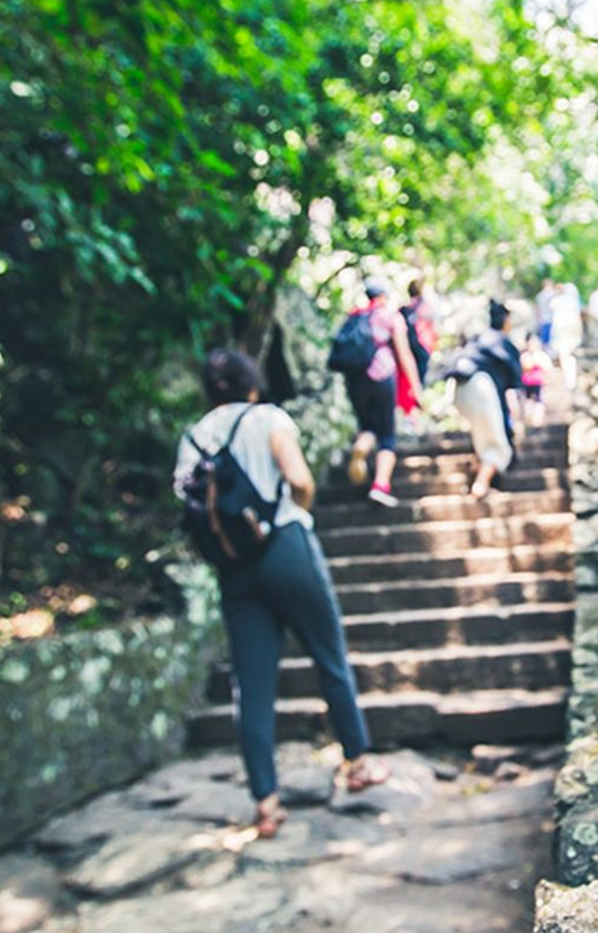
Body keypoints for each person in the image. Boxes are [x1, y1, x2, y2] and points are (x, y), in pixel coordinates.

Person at [174, 348, 391, 839]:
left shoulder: (194, 436)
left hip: (233, 566)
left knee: (251, 685)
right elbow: (299, 480)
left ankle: (266, 803)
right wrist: (295, 512)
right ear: (252, 381)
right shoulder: (268, 417)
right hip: (286, 548)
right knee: (328, 655)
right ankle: (357, 761)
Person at [342, 277, 420, 507]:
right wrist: (415, 387)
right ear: (384, 295)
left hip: (356, 380)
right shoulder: (389, 316)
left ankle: (361, 446)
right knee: (387, 433)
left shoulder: (354, 316)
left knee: (368, 426)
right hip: (382, 377)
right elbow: (404, 354)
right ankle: (380, 485)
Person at [449, 302, 526, 497]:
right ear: (506, 321)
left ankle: (477, 473)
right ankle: (481, 485)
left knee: (484, 435)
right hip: (480, 387)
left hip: (458, 387)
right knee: (499, 446)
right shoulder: (505, 343)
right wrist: (518, 421)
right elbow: (513, 392)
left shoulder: (478, 339)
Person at [397, 278, 438, 423]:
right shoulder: (424, 306)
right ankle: (414, 420)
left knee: (406, 384)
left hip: (405, 349)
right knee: (418, 384)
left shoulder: (404, 309)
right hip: (421, 349)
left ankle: (409, 419)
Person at [549, 282, 583, 388]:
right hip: (569, 330)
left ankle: (569, 380)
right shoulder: (572, 301)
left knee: (564, 354)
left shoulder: (557, 301)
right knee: (568, 354)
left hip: (562, 330)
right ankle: (570, 380)